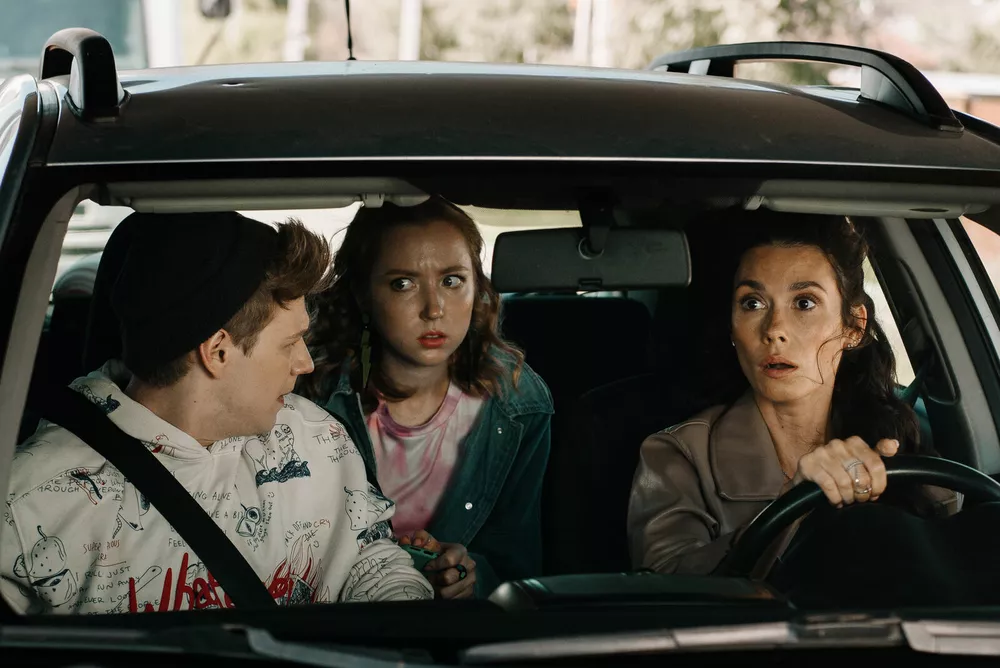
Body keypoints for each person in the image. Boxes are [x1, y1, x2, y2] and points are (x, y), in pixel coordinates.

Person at [1, 211, 433, 614]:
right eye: (289, 343)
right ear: (218, 351)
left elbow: (368, 559)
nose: (305, 363)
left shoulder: (319, 436)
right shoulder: (25, 503)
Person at [627, 212, 955, 577]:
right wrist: (792, 506)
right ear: (732, 329)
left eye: (804, 303)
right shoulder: (679, 455)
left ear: (854, 327)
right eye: (752, 303)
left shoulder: (899, 435)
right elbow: (666, 591)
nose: (774, 330)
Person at [301, 196, 553, 599]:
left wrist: (468, 577)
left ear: (477, 285)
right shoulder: (310, 394)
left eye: (452, 281)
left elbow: (515, 561)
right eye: (403, 283)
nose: (434, 309)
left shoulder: (518, 403)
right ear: (364, 294)